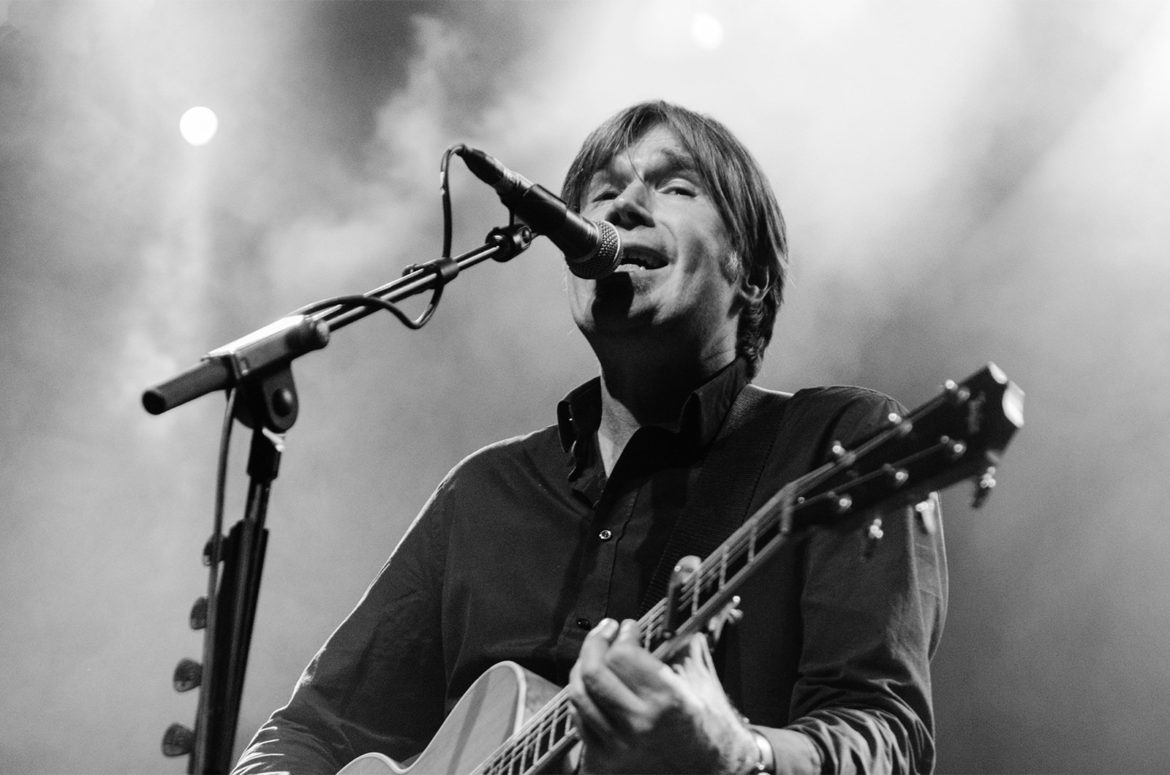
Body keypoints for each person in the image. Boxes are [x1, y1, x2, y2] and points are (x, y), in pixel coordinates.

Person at [233, 101, 947, 775]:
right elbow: (310, 732)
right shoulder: (483, 495)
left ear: (751, 277)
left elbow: (885, 735)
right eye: (602, 191)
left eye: (675, 187)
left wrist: (735, 754)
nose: (622, 204)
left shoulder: (838, 445)